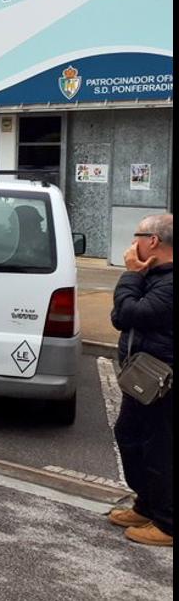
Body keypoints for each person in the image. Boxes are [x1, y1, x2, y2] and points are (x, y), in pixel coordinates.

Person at [108, 213, 173, 548]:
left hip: (163, 380)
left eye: (138, 236)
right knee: (131, 435)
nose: (132, 243)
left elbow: (133, 313)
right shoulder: (154, 276)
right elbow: (120, 315)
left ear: (153, 242)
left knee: (160, 447)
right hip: (142, 378)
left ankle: (167, 522)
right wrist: (135, 280)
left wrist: (131, 275)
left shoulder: (168, 282)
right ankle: (146, 505)